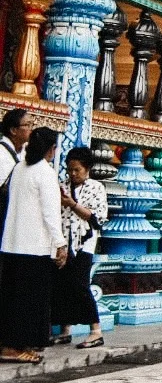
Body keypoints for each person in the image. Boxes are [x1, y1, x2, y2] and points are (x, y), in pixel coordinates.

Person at [0, 127, 65, 364]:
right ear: (51, 149)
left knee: (12, 297)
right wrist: (60, 243)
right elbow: (50, 214)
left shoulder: (19, 169)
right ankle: (14, 347)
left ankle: (12, 344)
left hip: (11, 244)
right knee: (28, 300)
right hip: (34, 247)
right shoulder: (45, 173)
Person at [54, 147, 106, 349]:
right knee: (62, 284)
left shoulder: (96, 188)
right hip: (64, 242)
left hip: (85, 242)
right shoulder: (62, 186)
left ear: (87, 169)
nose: (73, 174)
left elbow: (97, 218)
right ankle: (65, 330)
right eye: (70, 170)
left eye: (77, 170)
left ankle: (95, 330)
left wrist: (72, 204)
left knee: (80, 285)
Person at [0, 108, 35, 285]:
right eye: (27, 125)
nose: (31, 129)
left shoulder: (27, 153)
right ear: (13, 130)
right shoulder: (1, 154)